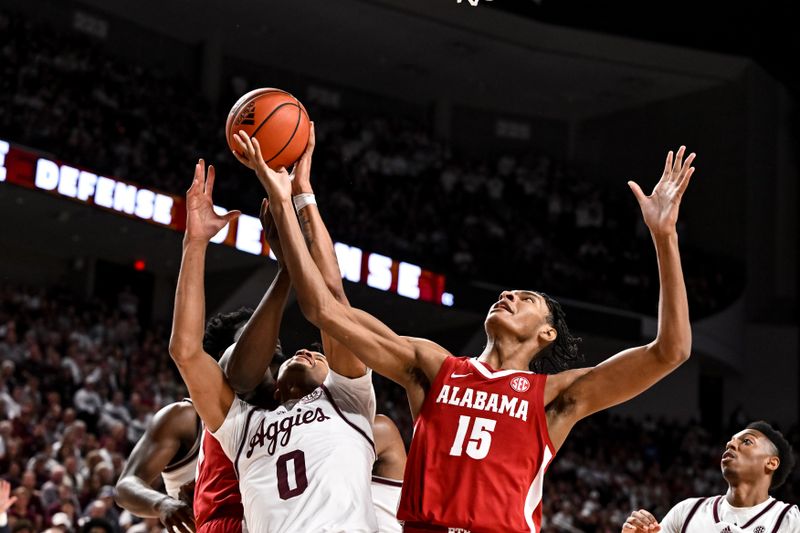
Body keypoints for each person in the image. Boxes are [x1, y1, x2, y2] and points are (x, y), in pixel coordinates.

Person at [238, 130, 697, 533]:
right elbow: (326, 307)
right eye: (508, 292)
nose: (509, 296)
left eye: (526, 299)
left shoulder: (555, 396)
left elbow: (671, 351)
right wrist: (296, 198)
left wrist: (664, 237)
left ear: (547, 335)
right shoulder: (435, 368)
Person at [168, 159, 377, 532]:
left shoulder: (349, 400)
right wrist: (195, 243)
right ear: (276, 383)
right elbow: (185, 352)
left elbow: (332, 301)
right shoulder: (242, 425)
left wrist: (297, 200)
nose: (310, 351)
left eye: (320, 354)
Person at [115, 308, 272, 533]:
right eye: (253, 336)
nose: (267, 340)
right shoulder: (185, 418)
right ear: (223, 356)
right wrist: (163, 504)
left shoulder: (283, 415)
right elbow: (125, 486)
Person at [622, 421, 798, 532]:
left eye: (746, 441)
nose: (731, 445)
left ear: (771, 463)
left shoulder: (790, 519)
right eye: (730, 442)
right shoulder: (687, 512)